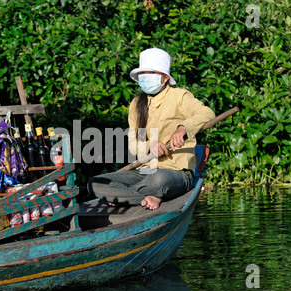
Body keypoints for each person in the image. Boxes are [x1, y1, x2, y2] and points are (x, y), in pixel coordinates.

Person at [87, 48, 215, 210]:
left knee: (159, 180)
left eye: (151, 72)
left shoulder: (179, 96)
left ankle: (123, 196)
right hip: (144, 172)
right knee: (95, 183)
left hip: (175, 173)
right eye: (143, 73)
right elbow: (133, 145)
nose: (145, 77)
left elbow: (207, 113)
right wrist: (151, 145)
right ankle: (145, 196)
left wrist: (183, 128)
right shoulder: (136, 104)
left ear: (165, 77)